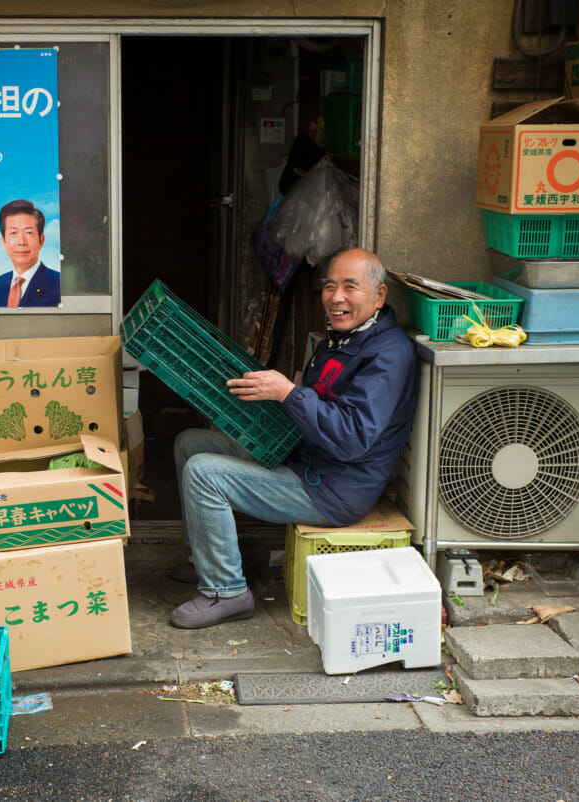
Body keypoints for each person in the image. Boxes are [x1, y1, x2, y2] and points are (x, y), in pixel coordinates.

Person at [169, 248, 420, 629]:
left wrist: (288, 393)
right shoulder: (341, 339)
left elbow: (352, 438)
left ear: (379, 296)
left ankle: (227, 590)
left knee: (205, 472)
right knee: (190, 442)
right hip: (302, 457)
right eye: (330, 286)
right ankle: (206, 559)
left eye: (350, 287)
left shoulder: (389, 355)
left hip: (333, 488)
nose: (336, 297)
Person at [0, 199, 61, 307]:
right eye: (13, 233)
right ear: (4, 242)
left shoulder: (59, 284)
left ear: (41, 240)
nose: (21, 242)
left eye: (28, 233)